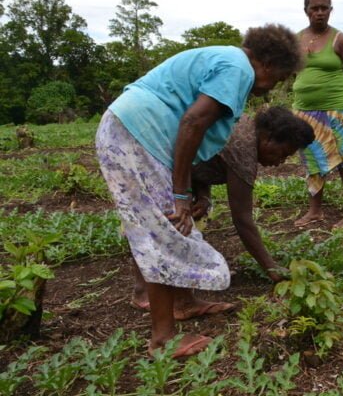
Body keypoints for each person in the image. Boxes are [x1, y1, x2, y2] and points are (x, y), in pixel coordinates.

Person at [96, 24, 303, 358]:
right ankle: (162, 340)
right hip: (137, 133)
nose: (274, 86)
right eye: (279, 78)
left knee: (170, 227)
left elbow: (193, 140)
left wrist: (194, 193)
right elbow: (193, 122)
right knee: (164, 229)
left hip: (135, 132)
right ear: (269, 63)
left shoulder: (228, 62)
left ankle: (183, 302)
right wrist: (180, 194)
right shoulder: (238, 68)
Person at [130, 106, 315, 314]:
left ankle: (145, 290)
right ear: (269, 139)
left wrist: (203, 194)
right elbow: (242, 219)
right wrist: (272, 269)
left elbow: (200, 155)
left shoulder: (244, 124)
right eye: (282, 154)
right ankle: (177, 301)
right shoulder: (243, 149)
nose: (280, 163)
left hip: (148, 145)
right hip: (152, 154)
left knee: (163, 220)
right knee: (172, 220)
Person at [292, 0, 343, 229]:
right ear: (306, 11)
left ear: (331, 10)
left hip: (339, 107)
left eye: (325, 8)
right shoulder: (296, 39)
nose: (320, 12)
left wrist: (334, 95)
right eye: (315, 8)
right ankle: (315, 211)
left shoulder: (340, 39)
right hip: (305, 111)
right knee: (313, 160)